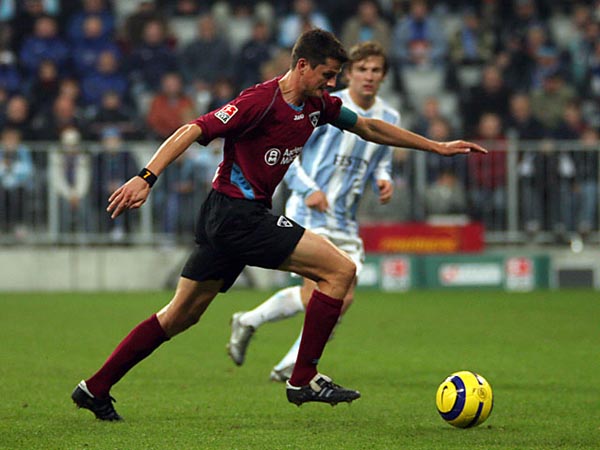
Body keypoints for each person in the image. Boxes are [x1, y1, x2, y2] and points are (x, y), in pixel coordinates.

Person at [71, 29, 486, 421]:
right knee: (340, 271)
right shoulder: (260, 101)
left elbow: (368, 127)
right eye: (327, 75)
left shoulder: (317, 105)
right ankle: (303, 378)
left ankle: (95, 387)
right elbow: (193, 128)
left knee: (180, 316)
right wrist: (146, 177)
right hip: (236, 215)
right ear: (302, 65)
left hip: (231, 217)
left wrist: (436, 146)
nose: (332, 84)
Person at [225, 40, 399, 382]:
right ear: (348, 73)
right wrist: (309, 190)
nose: (368, 76)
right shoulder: (326, 105)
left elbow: (382, 158)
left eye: (376, 70)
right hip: (311, 212)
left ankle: (255, 326)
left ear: (384, 76)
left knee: (342, 299)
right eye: (362, 69)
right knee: (319, 292)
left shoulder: (389, 117)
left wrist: (384, 178)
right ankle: (290, 362)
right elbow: (288, 155)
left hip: (345, 219)